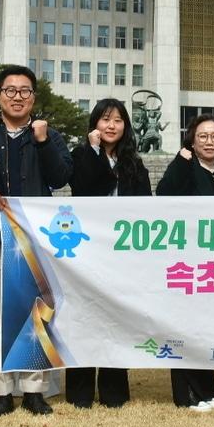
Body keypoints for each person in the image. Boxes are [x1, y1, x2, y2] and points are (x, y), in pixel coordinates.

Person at [0, 65, 73, 417]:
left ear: (33, 98)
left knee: (35, 312)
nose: (17, 97)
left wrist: (42, 142)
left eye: (25, 91)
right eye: (10, 90)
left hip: (35, 239)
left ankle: (34, 389)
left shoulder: (47, 135)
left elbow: (60, 177)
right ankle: (1, 390)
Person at [64, 98, 150, 408]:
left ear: (125, 126)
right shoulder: (81, 155)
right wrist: (95, 152)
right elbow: (85, 187)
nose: (111, 126)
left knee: (115, 316)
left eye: (117, 121)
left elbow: (145, 204)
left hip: (121, 252)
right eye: (104, 120)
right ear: (94, 125)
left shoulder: (134, 162)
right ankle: (79, 391)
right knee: (83, 315)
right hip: (85, 249)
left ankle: (114, 391)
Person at [156, 113, 214, 410]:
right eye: (202, 135)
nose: (208, 141)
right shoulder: (184, 167)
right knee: (184, 328)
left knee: (205, 328)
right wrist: (181, 160)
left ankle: (208, 388)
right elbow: (164, 195)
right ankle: (186, 395)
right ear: (192, 139)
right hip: (187, 263)